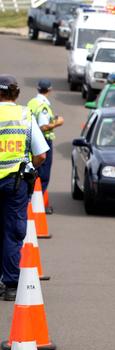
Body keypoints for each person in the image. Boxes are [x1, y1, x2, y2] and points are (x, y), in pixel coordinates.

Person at [0, 74, 48, 301]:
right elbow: (41, 154)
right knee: (12, 232)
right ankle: (10, 285)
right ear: (16, 93)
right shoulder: (24, 116)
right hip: (15, 183)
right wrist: (28, 166)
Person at [27, 79, 64, 214]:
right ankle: (37, 206)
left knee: (33, 171)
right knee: (43, 175)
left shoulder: (32, 102)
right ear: (49, 89)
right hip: (42, 141)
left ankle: (32, 202)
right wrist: (57, 123)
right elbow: (43, 126)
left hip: (31, 140)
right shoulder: (43, 105)